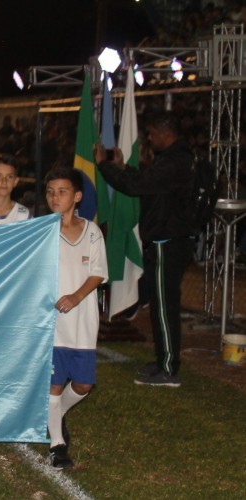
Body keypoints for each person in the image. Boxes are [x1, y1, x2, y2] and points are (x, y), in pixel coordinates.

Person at [95, 112, 193, 387]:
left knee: (164, 307)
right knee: (161, 305)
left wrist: (105, 167)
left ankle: (169, 369)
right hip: (167, 240)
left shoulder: (175, 161)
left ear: (164, 133)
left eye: (151, 134)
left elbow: (136, 187)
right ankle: (164, 360)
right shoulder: (176, 159)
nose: (149, 139)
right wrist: (124, 168)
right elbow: (147, 182)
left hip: (167, 242)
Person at [44, 167, 108, 470]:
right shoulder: (41, 231)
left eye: (62, 191)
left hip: (82, 321)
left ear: (77, 196)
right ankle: (57, 445)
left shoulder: (92, 231)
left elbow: (98, 273)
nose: (55, 197)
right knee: (53, 386)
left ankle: (56, 414)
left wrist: (75, 297)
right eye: (50, 191)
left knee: (83, 385)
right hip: (52, 324)